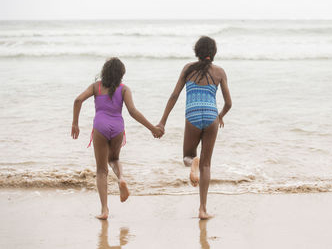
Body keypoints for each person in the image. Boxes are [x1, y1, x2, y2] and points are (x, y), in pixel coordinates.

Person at [71, 57, 163, 220]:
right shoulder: (124, 89)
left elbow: (77, 100)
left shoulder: (96, 87)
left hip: (100, 126)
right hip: (118, 127)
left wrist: (75, 124)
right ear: (121, 74)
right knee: (114, 158)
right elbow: (133, 112)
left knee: (101, 170)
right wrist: (153, 128)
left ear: (104, 72)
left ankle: (105, 209)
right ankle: (121, 178)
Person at [157, 36, 232, 219]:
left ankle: (193, 162)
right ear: (213, 53)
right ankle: (203, 209)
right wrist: (219, 116)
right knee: (206, 165)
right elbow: (229, 103)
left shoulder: (188, 69)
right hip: (211, 115)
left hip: (192, 114)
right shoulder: (220, 72)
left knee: (187, 157)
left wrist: (163, 121)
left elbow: (174, 95)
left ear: (196, 52)